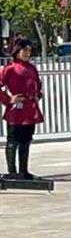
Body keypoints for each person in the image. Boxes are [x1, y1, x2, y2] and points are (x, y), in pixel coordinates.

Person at [1, 38, 43, 179]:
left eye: (29, 50)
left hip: (30, 110)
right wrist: (8, 99)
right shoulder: (10, 68)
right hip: (15, 110)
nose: (27, 53)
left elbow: (38, 85)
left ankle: (23, 171)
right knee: (13, 140)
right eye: (24, 50)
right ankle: (12, 172)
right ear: (17, 51)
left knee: (26, 140)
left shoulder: (32, 68)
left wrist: (38, 95)